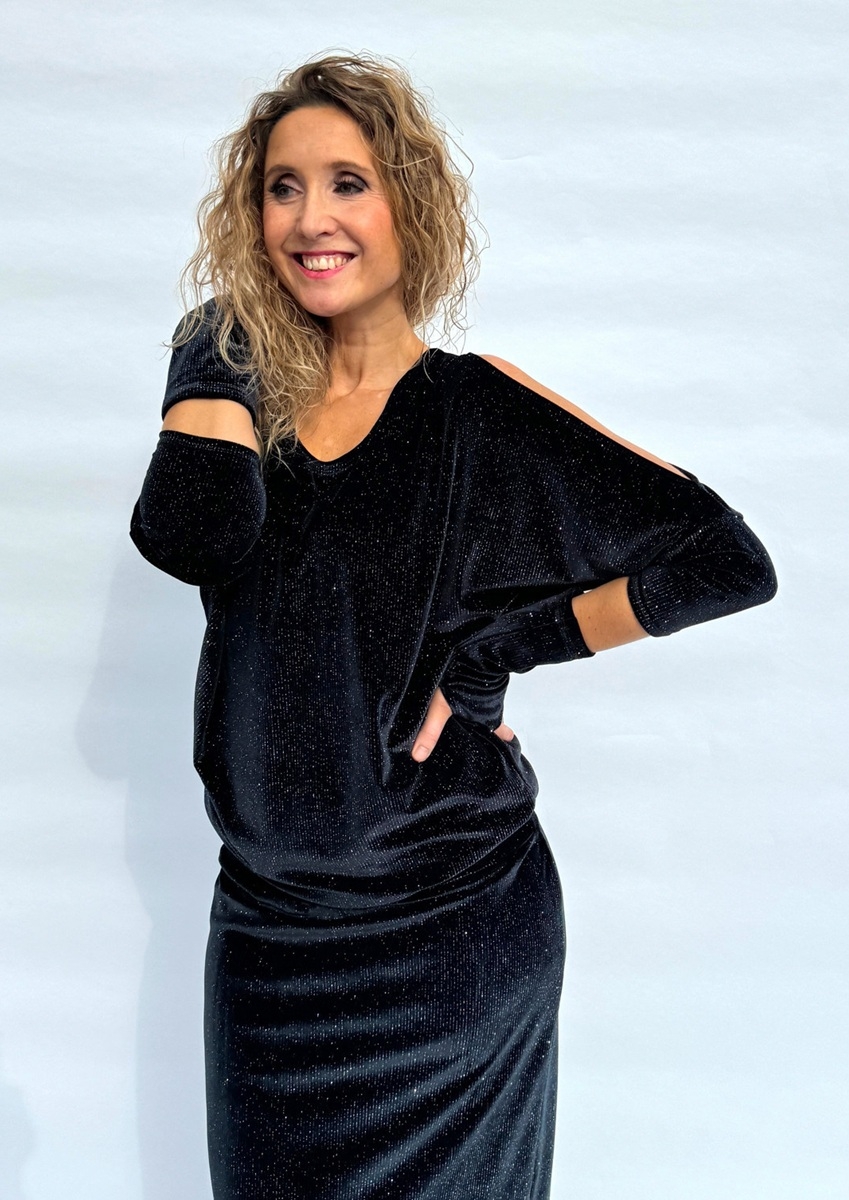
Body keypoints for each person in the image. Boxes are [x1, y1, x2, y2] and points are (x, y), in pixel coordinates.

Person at [129, 51, 777, 1200]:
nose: (312, 218)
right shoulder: (238, 395)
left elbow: (723, 561)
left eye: (349, 183)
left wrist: (497, 651)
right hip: (271, 945)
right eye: (282, 188)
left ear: (409, 203)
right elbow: (191, 533)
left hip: (452, 945)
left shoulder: (479, 410)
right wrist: (212, 340)